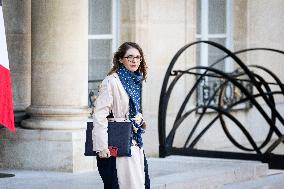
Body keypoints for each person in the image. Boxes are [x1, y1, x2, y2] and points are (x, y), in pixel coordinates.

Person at [92, 42, 150, 189]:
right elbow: (99, 116)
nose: (134, 60)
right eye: (129, 57)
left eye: (138, 57)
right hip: (116, 144)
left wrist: (139, 120)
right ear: (120, 59)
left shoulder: (136, 81)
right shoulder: (111, 82)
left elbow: (132, 110)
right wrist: (102, 147)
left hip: (135, 143)